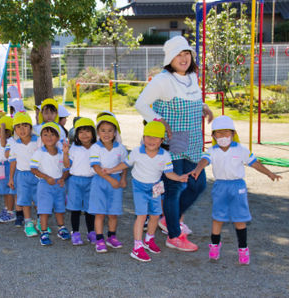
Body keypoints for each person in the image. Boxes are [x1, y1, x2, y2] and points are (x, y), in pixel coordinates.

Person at [135, 35, 213, 252]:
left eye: (186, 53)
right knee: (175, 187)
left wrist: (204, 106)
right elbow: (140, 104)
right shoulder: (162, 80)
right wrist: (159, 123)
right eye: (179, 54)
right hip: (174, 142)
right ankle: (174, 235)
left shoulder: (192, 77)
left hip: (194, 140)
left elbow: (191, 98)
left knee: (198, 184)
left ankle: (169, 218)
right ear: (170, 58)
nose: (184, 58)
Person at [190, 115, 282, 265]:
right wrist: (198, 169)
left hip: (237, 186)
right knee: (218, 218)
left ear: (233, 133)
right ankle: (214, 245)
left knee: (240, 219)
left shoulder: (241, 149)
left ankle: (243, 248)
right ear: (213, 135)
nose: (223, 136)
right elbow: (204, 160)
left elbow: (255, 163)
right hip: (220, 186)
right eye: (218, 133)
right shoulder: (212, 150)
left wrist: (270, 173)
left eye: (226, 132)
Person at [104, 121, 189, 262]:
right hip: (139, 187)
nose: (151, 141)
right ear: (143, 138)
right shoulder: (137, 152)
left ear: (162, 140)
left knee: (155, 215)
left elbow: (168, 173)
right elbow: (125, 164)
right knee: (142, 216)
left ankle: (149, 240)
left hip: (156, 186)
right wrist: (111, 170)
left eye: (156, 138)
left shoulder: (165, 156)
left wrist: (179, 178)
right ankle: (137, 247)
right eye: (148, 137)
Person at [88, 115, 127, 253]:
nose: (106, 134)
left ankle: (111, 237)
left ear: (115, 132)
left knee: (113, 213)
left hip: (116, 181)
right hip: (100, 181)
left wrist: (122, 179)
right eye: (103, 130)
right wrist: (111, 180)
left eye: (110, 130)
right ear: (98, 132)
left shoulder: (121, 148)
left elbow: (124, 165)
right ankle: (99, 239)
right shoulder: (95, 148)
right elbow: (96, 167)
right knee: (100, 213)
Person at [31, 122, 71, 246]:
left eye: (52, 135)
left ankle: (61, 228)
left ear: (58, 138)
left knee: (60, 208)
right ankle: (44, 232)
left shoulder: (61, 152)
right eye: (45, 135)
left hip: (59, 185)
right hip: (45, 185)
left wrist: (63, 177)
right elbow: (33, 168)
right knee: (44, 210)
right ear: (41, 137)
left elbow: (67, 167)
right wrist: (46, 177)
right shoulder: (39, 152)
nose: (49, 137)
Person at [63, 117, 97, 245]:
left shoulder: (97, 147)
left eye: (87, 131)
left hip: (92, 180)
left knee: (90, 208)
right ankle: (75, 233)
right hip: (75, 181)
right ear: (76, 134)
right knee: (75, 208)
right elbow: (67, 165)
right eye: (81, 132)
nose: (84, 135)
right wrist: (65, 153)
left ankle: (91, 232)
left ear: (93, 133)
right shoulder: (74, 148)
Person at [8, 112, 40, 237]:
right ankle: (28, 224)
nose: (22, 129)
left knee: (39, 201)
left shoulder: (38, 141)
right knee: (25, 200)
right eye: (18, 126)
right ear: (15, 129)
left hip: (38, 174)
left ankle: (41, 222)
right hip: (22, 176)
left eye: (25, 126)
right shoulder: (15, 145)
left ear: (30, 128)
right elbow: (13, 162)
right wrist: (11, 178)